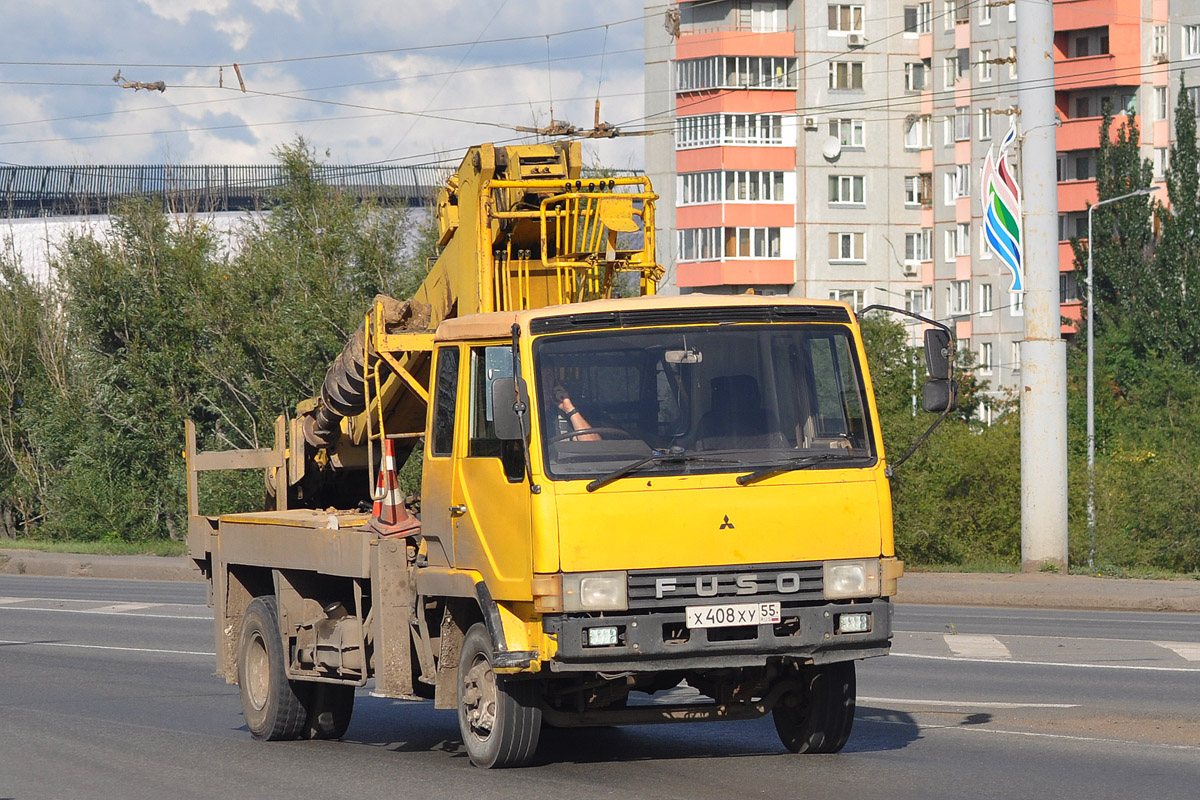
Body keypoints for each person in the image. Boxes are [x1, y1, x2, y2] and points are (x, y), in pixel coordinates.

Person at [545, 370, 600, 442]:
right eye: (541, 376)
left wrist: (570, 409)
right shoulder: (526, 412)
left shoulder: (564, 415)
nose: (545, 383)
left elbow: (594, 445)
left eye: (549, 377)